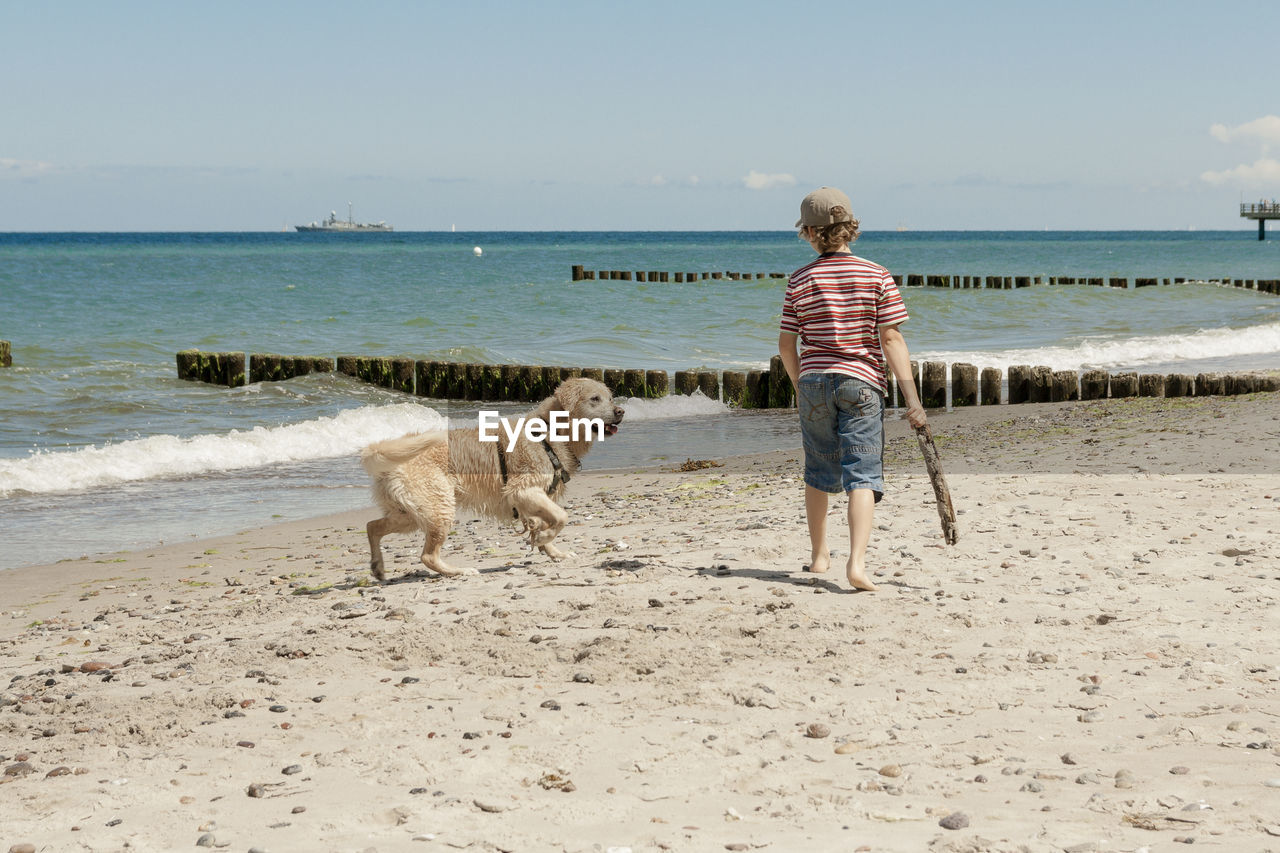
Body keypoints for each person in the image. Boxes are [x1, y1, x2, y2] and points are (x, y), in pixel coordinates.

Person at [777, 187, 927, 591]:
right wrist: (912, 399)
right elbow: (891, 340)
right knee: (863, 473)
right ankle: (856, 563)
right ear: (851, 228)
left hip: (813, 381)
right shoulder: (876, 274)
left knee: (818, 469)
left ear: (808, 232)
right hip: (861, 383)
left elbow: (786, 345)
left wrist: (801, 384)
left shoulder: (799, 279)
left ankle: (819, 554)